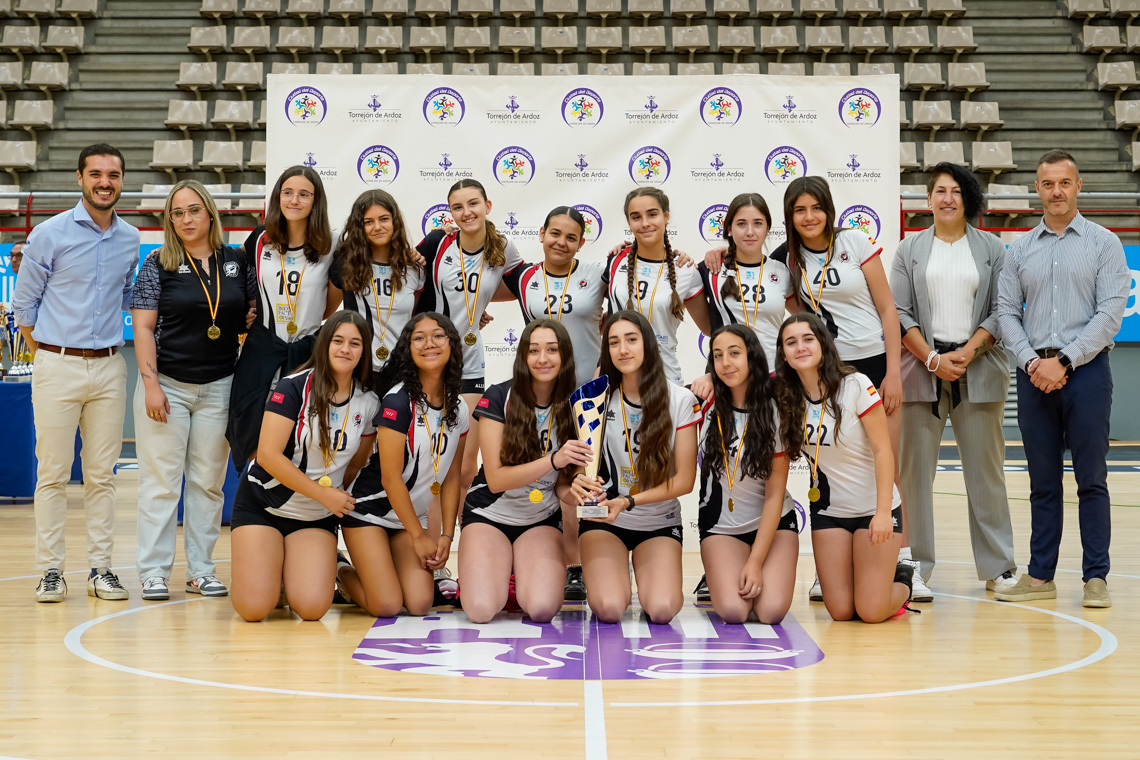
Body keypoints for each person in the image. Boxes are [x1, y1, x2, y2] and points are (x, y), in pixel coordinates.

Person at [994, 149, 1129, 608]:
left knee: (1091, 478)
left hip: (1087, 374)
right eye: (1048, 184)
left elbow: (1111, 312)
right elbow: (1007, 313)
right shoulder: (1021, 250)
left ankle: (1096, 579)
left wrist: (1065, 361)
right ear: (1038, 189)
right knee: (1042, 481)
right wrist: (1034, 364)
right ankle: (1041, 577)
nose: (1056, 192)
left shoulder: (1104, 243)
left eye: (1064, 183)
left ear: (1078, 185)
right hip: (1034, 377)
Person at [12, 144, 140, 603]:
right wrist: (48, 354)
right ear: (80, 178)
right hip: (56, 364)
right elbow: (24, 304)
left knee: (102, 475)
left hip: (109, 367)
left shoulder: (131, 238)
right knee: (52, 473)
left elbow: (128, 295)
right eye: (96, 174)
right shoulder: (49, 234)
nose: (105, 182)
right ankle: (51, 570)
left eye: (114, 174)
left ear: (122, 180)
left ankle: (101, 568)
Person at [891, 163, 1018, 596]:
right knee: (914, 476)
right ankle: (915, 566)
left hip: (977, 366)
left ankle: (998, 566)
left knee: (986, 473)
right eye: (939, 191)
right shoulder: (909, 250)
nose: (947, 198)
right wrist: (931, 359)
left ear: (968, 198)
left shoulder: (993, 249)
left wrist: (968, 351)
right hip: (922, 370)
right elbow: (900, 312)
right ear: (927, 199)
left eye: (956, 191)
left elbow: (1003, 309)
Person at [131, 181, 257, 601]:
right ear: (169, 219)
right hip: (166, 384)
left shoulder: (237, 260)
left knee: (207, 483)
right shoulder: (156, 263)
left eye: (193, 210)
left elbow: (250, 315)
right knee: (162, 483)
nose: (186, 219)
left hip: (220, 385)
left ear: (210, 214)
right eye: (177, 213)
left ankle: (201, 569)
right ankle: (153, 571)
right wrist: (150, 385)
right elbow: (143, 327)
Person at [229, 311, 379, 622]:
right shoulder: (293, 386)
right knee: (254, 609)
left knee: (311, 608)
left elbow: (356, 464)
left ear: (364, 351)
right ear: (324, 344)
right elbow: (268, 456)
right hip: (264, 505)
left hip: (313, 518)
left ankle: (334, 566)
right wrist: (324, 495)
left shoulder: (368, 401)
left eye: (355, 343)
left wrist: (330, 497)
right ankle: (271, 570)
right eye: (338, 341)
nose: (345, 349)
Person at [775, 313, 915, 623]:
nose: (800, 347)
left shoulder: (855, 384)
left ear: (823, 343)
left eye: (808, 339)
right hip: (829, 513)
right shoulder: (785, 396)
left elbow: (883, 451)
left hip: (872, 511)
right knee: (839, 611)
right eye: (791, 342)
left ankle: (903, 580)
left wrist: (882, 513)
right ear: (783, 353)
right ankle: (867, 579)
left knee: (871, 611)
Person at [499, 206, 608, 600]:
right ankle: (555, 561)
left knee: (582, 481)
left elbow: (642, 277)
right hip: (541, 395)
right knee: (551, 478)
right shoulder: (523, 275)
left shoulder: (598, 273)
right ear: (541, 232)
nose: (561, 242)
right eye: (554, 233)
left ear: (581, 242)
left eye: (571, 237)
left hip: (586, 400)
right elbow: (474, 284)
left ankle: (585, 563)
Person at [459, 319, 594, 623]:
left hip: (540, 519)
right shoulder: (498, 396)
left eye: (551, 350)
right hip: (489, 514)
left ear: (565, 356)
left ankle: (516, 571)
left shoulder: (578, 405)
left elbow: (561, 485)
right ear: (522, 356)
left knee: (543, 609)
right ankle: (497, 572)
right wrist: (553, 459)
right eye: (534, 350)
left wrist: (577, 494)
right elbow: (495, 479)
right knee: (481, 610)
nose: (542, 359)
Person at [571, 310, 700, 625]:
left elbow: (684, 481)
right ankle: (615, 572)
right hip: (604, 520)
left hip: (657, 521)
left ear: (648, 345)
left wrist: (628, 501)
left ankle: (643, 570)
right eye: (613, 342)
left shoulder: (680, 400)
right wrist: (578, 481)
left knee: (663, 609)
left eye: (631, 340)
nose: (623, 350)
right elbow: (580, 467)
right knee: (610, 607)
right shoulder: (593, 399)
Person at [338, 312, 469, 617]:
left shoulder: (459, 407)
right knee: (387, 605)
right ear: (408, 349)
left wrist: (447, 537)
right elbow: (390, 479)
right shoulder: (398, 402)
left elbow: (451, 478)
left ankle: (383, 572)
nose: (429, 344)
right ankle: (341, 569)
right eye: (419, 338)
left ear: (451, 344)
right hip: (370, 511)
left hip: (408, 519)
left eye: (438, 335)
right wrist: (419, 536)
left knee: (420, 604)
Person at [226, 166, 341, 469]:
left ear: (316, 201)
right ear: (278, 197)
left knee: (300, 437)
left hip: (307, 352)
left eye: (304, 194)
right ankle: (253, 499)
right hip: (260, 350)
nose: (294, 200)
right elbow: (230, 269)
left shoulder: (332, 244)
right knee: (252, 430)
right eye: (287, 192)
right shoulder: (261, 238)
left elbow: (329, 305)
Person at [415, 179, 522, 499]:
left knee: (464, 469)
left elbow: (523, 286)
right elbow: (412, 289)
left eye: (473, 204)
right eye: (457, 207)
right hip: (428, 361)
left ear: (487, 207)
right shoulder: (438, 242)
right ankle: (433, 543)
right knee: (429, 463)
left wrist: (479, 307)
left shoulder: (504, 247)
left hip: (470, 365)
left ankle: (464, 541)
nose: (466, 212)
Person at [698, 325, 798, 624]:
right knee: (733, 612)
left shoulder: (775, 408)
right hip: (721, 527)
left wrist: (755, 562)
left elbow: (774, 496)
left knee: (770, 612)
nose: (726, 363)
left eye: (734, 353)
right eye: (718, 356)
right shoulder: (704, 404)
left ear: (752, 357)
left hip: (773, 522)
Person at [603, 188, 711, 386]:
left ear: (666, 216)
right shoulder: (616, 259)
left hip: (664, 378)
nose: (645, 223)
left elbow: (712, 328)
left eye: (652, 214)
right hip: (617, 378)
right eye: (636, 217)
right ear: (629, 222)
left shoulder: (685, 269)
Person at [330, 189, 425, 372]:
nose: (377, 227)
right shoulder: (345, 264)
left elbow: (419, 319)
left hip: (402, 371)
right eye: (368, 222)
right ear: (359, 226)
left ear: (394, 221)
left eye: (384, 219)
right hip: (357, 371)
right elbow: (327, 312)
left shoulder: (414, 266)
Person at [698, 193, 795, 362]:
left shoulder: (782, 271)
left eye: (758, 223)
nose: (750, 232)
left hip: (773, 374)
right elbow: (708, 327)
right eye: (741, 224)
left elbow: (802, 319)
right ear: (729, 228)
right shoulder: (711, 268)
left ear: (767, 228)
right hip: (726, 373)